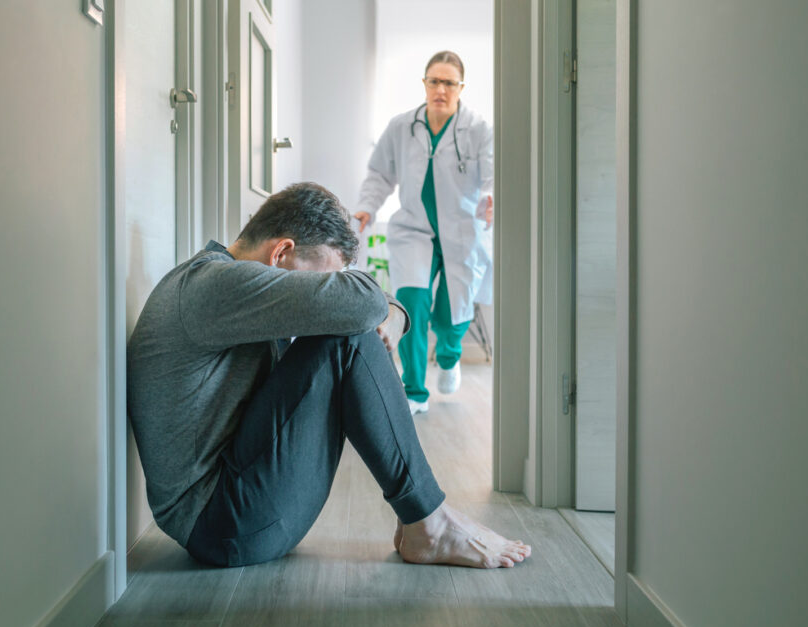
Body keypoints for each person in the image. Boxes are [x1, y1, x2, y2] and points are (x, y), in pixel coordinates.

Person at [127, 182, 529, 569]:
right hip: (222, 524)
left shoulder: (222, 284)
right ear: (281, 253)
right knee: (345, 337)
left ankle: (425, 517)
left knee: (347, 327)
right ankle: (429, 522)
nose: (325, 290)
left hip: (232, 511)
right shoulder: (215, 286)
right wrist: (389, 312)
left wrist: (393, 314)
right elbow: (362, 302)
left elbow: (363, 303)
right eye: (324, 279)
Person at [354, 50, 494, 415]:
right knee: (412, 304)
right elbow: (380, 174)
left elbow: (495, 174)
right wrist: (367, 207)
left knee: (452, 314)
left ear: (461, 87)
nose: (441, 89)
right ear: (425, 83)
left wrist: (493, 197)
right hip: (415, 229)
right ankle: (413, 390)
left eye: (449, 82)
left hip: (463, 229)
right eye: (434, 81)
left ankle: (449, 355)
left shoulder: (479, 129)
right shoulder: (403, 126)